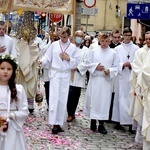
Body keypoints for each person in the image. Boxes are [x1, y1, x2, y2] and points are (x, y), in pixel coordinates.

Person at [39, 27, 79, 134]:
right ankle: (54, 123)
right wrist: (41, 61)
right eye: (61, 36)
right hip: (56, 74)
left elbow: (76, 62)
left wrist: (68, 58)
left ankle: (59, 122)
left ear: (69, 36)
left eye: (65, 37)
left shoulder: (73, 47)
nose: (63, 38)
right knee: (54, 98)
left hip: (65, 75)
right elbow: (47, 57)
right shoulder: (54, 45)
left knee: (62, 99)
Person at [79, 33, 119, 134]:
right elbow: (86, 63)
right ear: (99, 41)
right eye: (103, 41)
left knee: (104, 103)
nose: (104, 43)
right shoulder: (93, 51)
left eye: (106, 41)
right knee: (94, 101)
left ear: (109, 41)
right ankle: (93, 122)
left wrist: (109, 70)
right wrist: (95, 66)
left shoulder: (113, 53)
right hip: (95, 80)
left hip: (105, 81)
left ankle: (101, 124)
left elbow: (116, 66)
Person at [111, 27, 139, 133]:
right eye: (125, 35)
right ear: (123, 35)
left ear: (131, 36)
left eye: (129, 35)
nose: (127, 37)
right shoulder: (117, 49)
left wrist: (131, 64)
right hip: (121, 76)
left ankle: (132, 123)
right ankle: (118, 121)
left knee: (131, 99)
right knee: (120, 98)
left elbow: (138, 62)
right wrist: (122, 65)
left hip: (132, 77)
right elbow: (115, 62)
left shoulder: (136, 48)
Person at [0, 54, 29, 150]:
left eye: (9, 69)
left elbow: (24, 111)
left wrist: (9, 116)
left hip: (12, 127)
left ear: (13, 71)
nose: (5, 72)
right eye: (2, 68)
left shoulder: (18, 89)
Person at [129, 31, 150, 149]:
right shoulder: (140, 52)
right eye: (146, 39)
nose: (148, 41)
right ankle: (142, 138)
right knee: (144, 115)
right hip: (143, 86)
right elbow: (137, 68)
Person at [67, 30, 89, 122]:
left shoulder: (86, 50)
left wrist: (77, 68)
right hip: (68, 74)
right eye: (77, 35)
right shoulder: (69, 47)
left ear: (83, 38)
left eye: (81, 36)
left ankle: (72, 113)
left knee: (75, 96)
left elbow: (87, 62)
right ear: (74, 37)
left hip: (79, 75)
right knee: (69, 95)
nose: (79, 37)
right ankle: (69, 113)